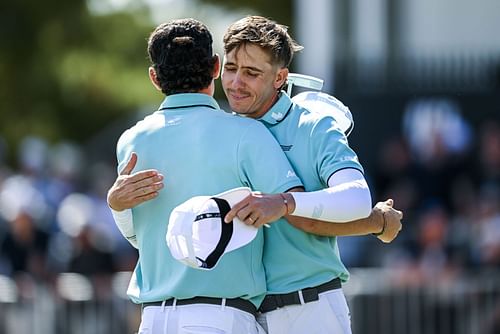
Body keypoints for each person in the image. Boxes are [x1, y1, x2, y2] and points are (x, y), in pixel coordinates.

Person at [108, 16, 403, 334]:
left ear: (280, 78)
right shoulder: (230, 131)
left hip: (308, 309)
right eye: (233, 69)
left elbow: (356, 197)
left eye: (251, 73)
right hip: (245, 315)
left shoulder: (313, 125)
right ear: (218, 67)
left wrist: (288, 203)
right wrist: (376, 223)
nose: (236, 83)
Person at [111, 18, 306, 333]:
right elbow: (297, 209)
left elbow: (138, 237)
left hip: (154, 320)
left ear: (154, 77)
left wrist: (115, 206)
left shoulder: (131, 140)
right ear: (216, 67)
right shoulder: (247, 133)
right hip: (222, 316)